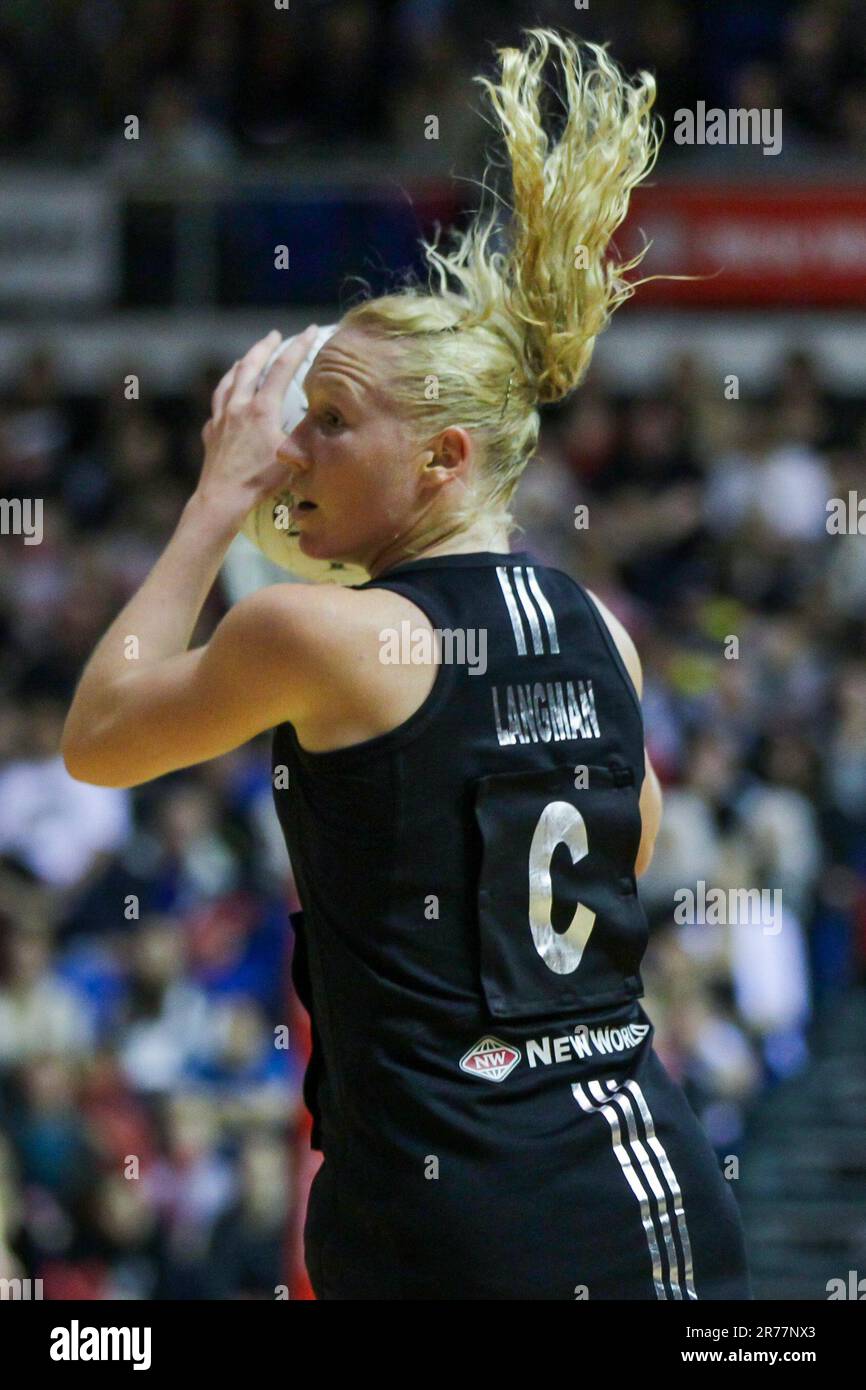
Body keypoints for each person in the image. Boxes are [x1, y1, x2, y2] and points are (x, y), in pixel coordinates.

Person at [62, 30, 752, 1299]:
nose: (293, 453)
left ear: (439, 459)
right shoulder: (598, 625)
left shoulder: (317, 634)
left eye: (330, 425)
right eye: (295, 427)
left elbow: (100, 733)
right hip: (657, 1185)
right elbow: (627, 849)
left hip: (459, 1215)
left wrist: (214, 504)